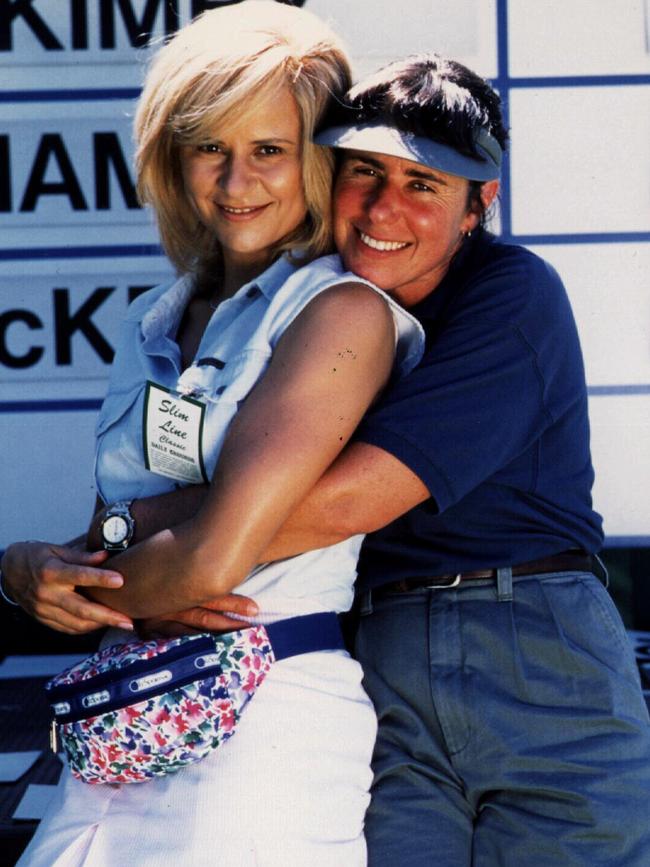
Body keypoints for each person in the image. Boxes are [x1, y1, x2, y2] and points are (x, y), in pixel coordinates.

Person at [6, 49, 650, 867]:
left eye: (425, 185)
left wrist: (134, 566)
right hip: (379, 652)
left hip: (528, 639)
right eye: (364, 173)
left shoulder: (510, 292)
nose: (386, 207)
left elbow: (338, 506)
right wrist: (90, 565)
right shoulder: (289, 303)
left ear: (479, 204)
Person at [2, 6, 424, 866]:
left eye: (268, 149)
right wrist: (24, 569)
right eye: (210, 148)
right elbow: (112, 534)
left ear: (315, 157)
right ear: (172, 156)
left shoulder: (339, 312)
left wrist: (91, 577)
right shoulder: (151, 323)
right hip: (119, 714)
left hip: (266, 723)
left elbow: (209, 561)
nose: (236, 183)